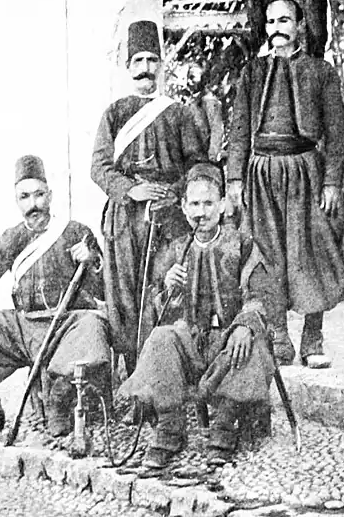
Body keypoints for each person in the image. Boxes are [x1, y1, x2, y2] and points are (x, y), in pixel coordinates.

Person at [0, 155, 111, 439]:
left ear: (49, 196)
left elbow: (104, 291)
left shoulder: (75, 231)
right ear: (17, 201)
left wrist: (93, 261)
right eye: (24, 197)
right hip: (23, 328)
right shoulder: (12, 238)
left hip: (65, 326)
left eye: (39, 195)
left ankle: (58, 398)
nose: (33, 204)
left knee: (93, 323)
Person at [227, 0, 344, 369]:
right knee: (267, 255)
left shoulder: (321, 71)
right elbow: (238, 130)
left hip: (304, 172)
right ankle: (278, 335)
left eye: (284, 21)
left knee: (310, 253)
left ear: (300, 26)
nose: (276, 29)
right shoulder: (252, 72)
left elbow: (337, 132)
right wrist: (235, 178)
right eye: (271, 22)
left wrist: (332, 181)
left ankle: (312, 338)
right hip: (261, 172)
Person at [119, 163, 275, 469]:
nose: (200, 212)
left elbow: (260, 295)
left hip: (228, 341)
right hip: (193, 343)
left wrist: (245, 325)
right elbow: (160, 309)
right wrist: (168, 290)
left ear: (222, 205)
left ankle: (225, 424)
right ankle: (170, 426)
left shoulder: (241, 243)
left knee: (249, 345)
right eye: (193, 204)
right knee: (161, 338)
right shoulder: (177, 248)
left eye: (207, 203)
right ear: (183, 207)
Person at [91, 20, 207, 374]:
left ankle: (162, 372)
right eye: (138, 61)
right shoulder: (114, 113)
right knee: (125, 299)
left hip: (167, 218)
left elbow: (196, 165)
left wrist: (173, 193)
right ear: (128, 68)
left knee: (163, 292)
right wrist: (130, 190)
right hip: (125, 220)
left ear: (161, 64)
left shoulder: (178, 113)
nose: (145, 69)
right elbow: (98, 166)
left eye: (152, 60)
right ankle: (134, 377)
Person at [183, 63, 226, 163]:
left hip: (206, 159)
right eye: (188, 78)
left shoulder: (209, 101)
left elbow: (217, 129)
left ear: (202, 79)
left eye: (193, 77)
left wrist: (213, 155)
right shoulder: (191, 102)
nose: (189, 82)